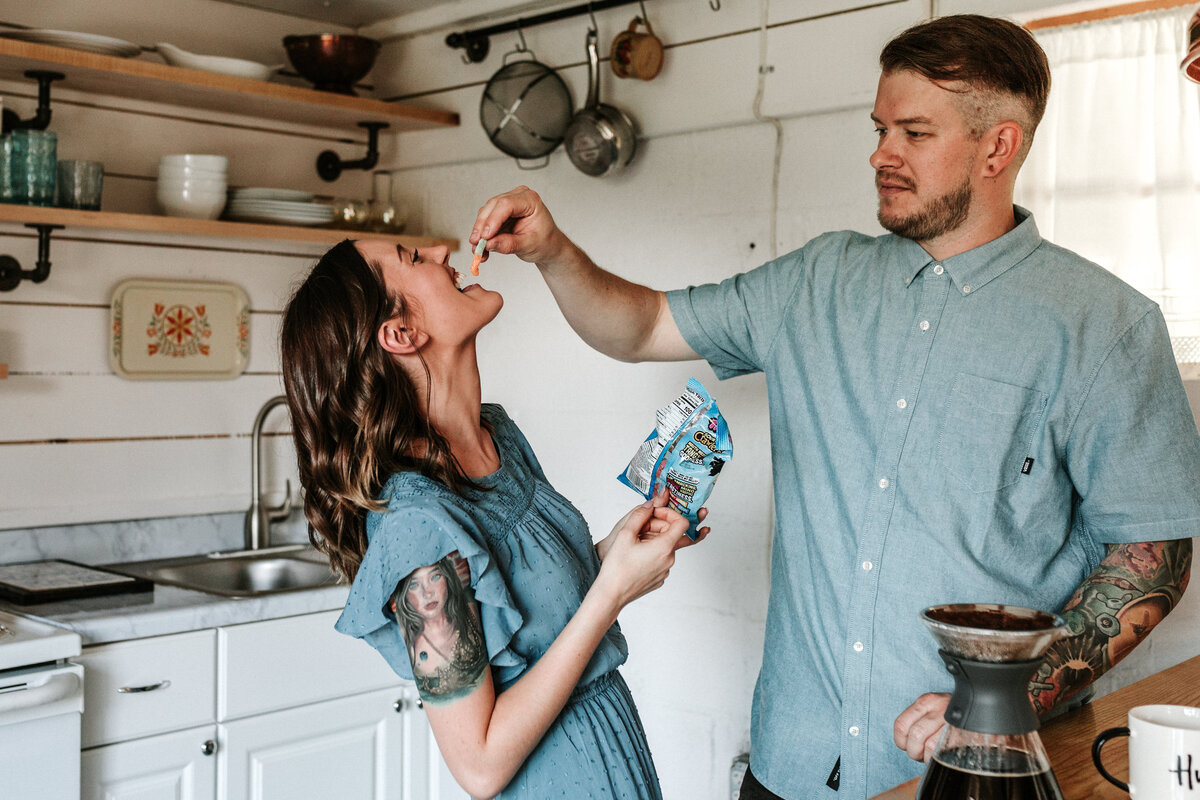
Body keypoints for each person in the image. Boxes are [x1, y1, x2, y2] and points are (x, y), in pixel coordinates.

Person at [467, 14, 1198, 800]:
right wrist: (551, 251)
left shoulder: (1106, 326)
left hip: (971, 778)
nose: (882, 154)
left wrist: (1007, 696)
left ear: (998, 148)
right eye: (881, 129)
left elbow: (1153, 555)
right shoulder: (817, 281)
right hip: (789, 764)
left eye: (915, 133)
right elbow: (640, 326)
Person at [279, 238, 708, 800]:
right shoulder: (415, 526)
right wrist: (614, 591)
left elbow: (533, 609)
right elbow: (479, 764)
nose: (441, 249)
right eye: (413, 258)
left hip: (614, 758)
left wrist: (618, 553)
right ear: (401, 334)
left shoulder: (496, 436)